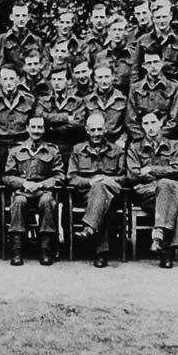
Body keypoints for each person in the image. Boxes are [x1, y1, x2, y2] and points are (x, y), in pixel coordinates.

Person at [65, 113, 125, 268]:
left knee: (103, 192)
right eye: (93, 130)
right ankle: (101, 253)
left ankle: (90, 228)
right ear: (87, 130)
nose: (97, 133)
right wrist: (90, 182)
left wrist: (109, 180)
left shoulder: (117, 150)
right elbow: (71, 177)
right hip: (85, 194)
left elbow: (126, 177)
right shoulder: (77, 150)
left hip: (112, 193)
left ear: (105, 129)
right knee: (102, 199)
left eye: (100, 129)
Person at [126, 110, 178, 268]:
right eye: (146, 123)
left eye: (153, 122)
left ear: (161, 123)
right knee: (168, 189)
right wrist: (161, 177)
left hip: (166, 192)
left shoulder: (174, 145)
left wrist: (151, 170)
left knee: (166, 187)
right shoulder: (135, 147)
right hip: (146, 193)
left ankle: (159, 235)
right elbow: (133, 174)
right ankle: (166, 251)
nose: (150, 127)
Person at [2, 115, 61, 266]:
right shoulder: (15, 150)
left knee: (47, 201)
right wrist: (23, 183)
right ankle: (17, 250)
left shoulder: (52, 151)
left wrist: (41, 184)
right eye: (33, 127)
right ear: (27, 128)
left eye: (40, 127)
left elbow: (59, 176)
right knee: (19, 202)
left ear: (44, 129)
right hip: (22, 191)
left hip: (43, 191)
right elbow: (7, 176)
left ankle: (45, 250)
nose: (36, 131)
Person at [125, 49, 178, 141]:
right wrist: (144, 139)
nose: (153, 66)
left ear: (162, 62)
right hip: (141, 140)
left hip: (167, 140)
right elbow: (131, 120)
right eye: (149, 63)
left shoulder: (173, 87)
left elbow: (175, 120)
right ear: (143, 65)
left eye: (156, 62)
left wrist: (158, 137)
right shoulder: (136, 88)